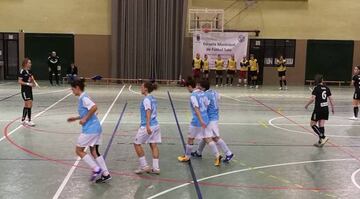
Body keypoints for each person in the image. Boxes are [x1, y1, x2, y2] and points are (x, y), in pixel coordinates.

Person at [67, 79, 111, 183]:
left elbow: (94, 108)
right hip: (96, 128)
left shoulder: (84, 98)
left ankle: (96, 168)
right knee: (94, 151)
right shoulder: (84, 97)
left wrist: (85, 119)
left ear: (77, 88)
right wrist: (76, 118)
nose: (72, 91)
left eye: (72, 89)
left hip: (90, 129)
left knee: (79, 150)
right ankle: (106, 173)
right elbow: (89, 111)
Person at [178, 78, 222, 167]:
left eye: (187, 88)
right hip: (206, 119)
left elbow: (196, 108)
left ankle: (187, 156)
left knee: (190, 138)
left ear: (190, 86)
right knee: (208, 138)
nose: (187, 90)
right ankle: (217, 155)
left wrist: (200, 120)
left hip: (198, 120)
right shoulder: (202, 93)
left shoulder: (193, 96)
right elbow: (207, 103)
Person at [191, 80, 234, 163]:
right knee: (205, 136)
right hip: (215, 116)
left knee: (214, 138)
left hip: (210, 119)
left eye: (199, 86)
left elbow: (204, 106)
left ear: (203, 87)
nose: (198, 87)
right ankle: (198, 152)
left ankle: (229, 153)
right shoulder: (214, 92)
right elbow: (219, 98)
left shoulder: (205, 95)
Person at [133, 82, 161, 175]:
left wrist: (147, 125)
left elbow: (148, 112)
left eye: (141, 87)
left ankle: (144, 166)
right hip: (156, 124)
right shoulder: (153, 98)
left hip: (148, 125)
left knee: (136, 144)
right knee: (153, 145)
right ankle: (156, 168)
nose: (140, 88)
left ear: (145, 89)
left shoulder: (146, 99)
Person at [305, 74, 335, 147]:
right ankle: (320, 142)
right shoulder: (327, 88)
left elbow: (312, 99)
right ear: (322, 80)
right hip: (325, 108)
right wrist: (333, 108)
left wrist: (306, 105)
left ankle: (323, 137)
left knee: (312, 124)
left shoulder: (316, 88)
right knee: (321, 125)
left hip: (318, 109)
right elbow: (331, 99)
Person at [18, 58, 36, 127]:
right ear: (25, 64)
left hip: (29, 90)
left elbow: (32, 80)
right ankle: (29, 120)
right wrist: (28, 84)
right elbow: (19, 81)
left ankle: (23, 120)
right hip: (24, 91)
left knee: (28, 105)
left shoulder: (30, 71)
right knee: (28, 104)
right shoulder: (22, 71)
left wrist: (33, 82)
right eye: (29, 63)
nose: (30, 64)